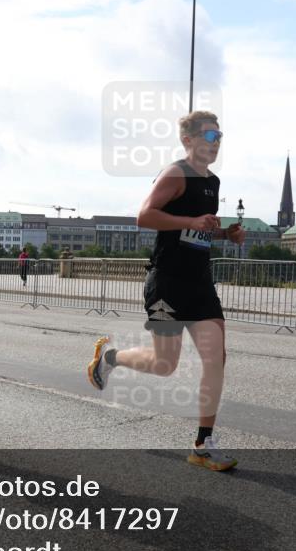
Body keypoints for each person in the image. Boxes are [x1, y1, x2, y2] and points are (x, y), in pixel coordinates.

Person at [87, 110, 244, 471]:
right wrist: (191, 220)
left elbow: (194, 231)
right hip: (168, 281)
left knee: (216, 356)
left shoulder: (213, 182)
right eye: (209, 136)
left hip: (199, 282)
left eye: (219, 136)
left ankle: (203, 444)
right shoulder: (176, 173)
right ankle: (109, 358)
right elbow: (145, 216)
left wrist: (223, 234)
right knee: (164, 364)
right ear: (188, 141)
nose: (216, 141)